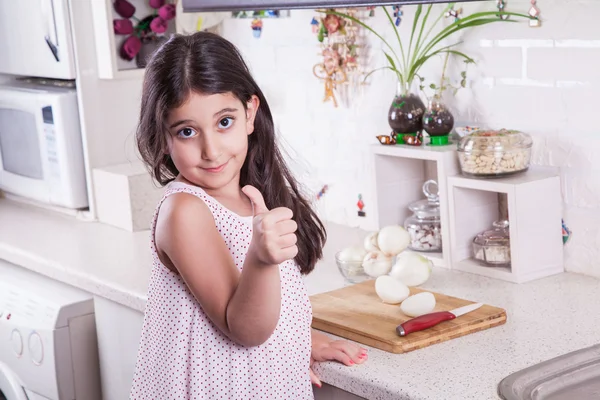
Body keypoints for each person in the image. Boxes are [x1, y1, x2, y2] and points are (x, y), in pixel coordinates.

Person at [130, 31, 368, 399]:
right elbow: (244, 328)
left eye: (224, 122)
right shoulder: (185, 211)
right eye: (187, 131)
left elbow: (265, 310)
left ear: (250, 113)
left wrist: (295, 342)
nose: (211, 150)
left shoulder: (250, 195)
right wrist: (260, 259)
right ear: (162, 137)